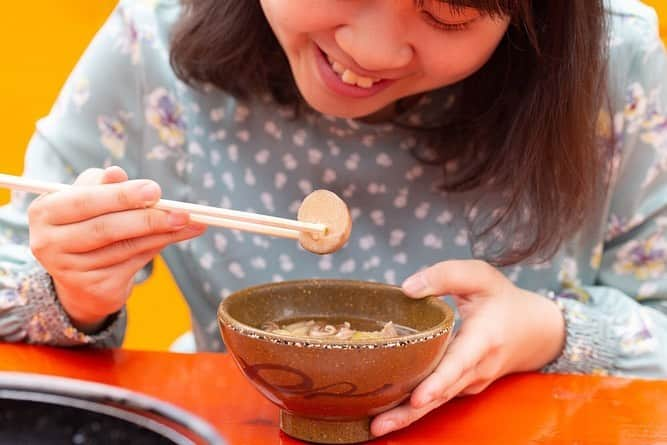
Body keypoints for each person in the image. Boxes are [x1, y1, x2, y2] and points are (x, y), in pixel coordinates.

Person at [0, 0, 665, 437]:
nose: (371, 50)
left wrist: (552, 332)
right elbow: (12, 282)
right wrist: (72, 292)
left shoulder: (608, 65)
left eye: (448, 11)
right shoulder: (155, 46)